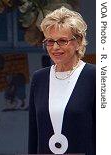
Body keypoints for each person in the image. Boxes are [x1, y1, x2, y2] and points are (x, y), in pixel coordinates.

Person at [28, 6, 95, 155]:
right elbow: (33, 134)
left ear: (78, 42)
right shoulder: (39, 78)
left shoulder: (95, 76)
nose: (55, 47)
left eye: (62, 41)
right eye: (50, 41)